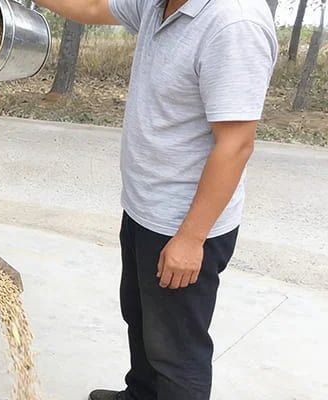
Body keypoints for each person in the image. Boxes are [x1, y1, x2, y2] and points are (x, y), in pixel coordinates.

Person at [30, 0, 278, 399]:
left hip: (184, 225)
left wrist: (191, 239)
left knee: (177, 351)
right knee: (142, 319)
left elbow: (235, 144)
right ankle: (141, 394)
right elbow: (92, 7)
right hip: (145, 208)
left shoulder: (234, 22)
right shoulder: (156, 2)